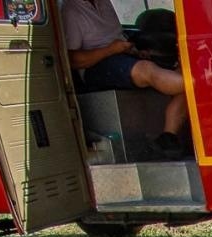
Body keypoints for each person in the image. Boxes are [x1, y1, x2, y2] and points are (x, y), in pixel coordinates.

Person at [62, 0, 188, 160]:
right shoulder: (71, 10)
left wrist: (132, 49)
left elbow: (117, 36)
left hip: (121, 52)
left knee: (180, 66)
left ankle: (168, 137)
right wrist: (111, 50)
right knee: (146, 70)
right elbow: (72, 59)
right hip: (95, 67)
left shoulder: (104, 3)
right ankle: (196, 84)